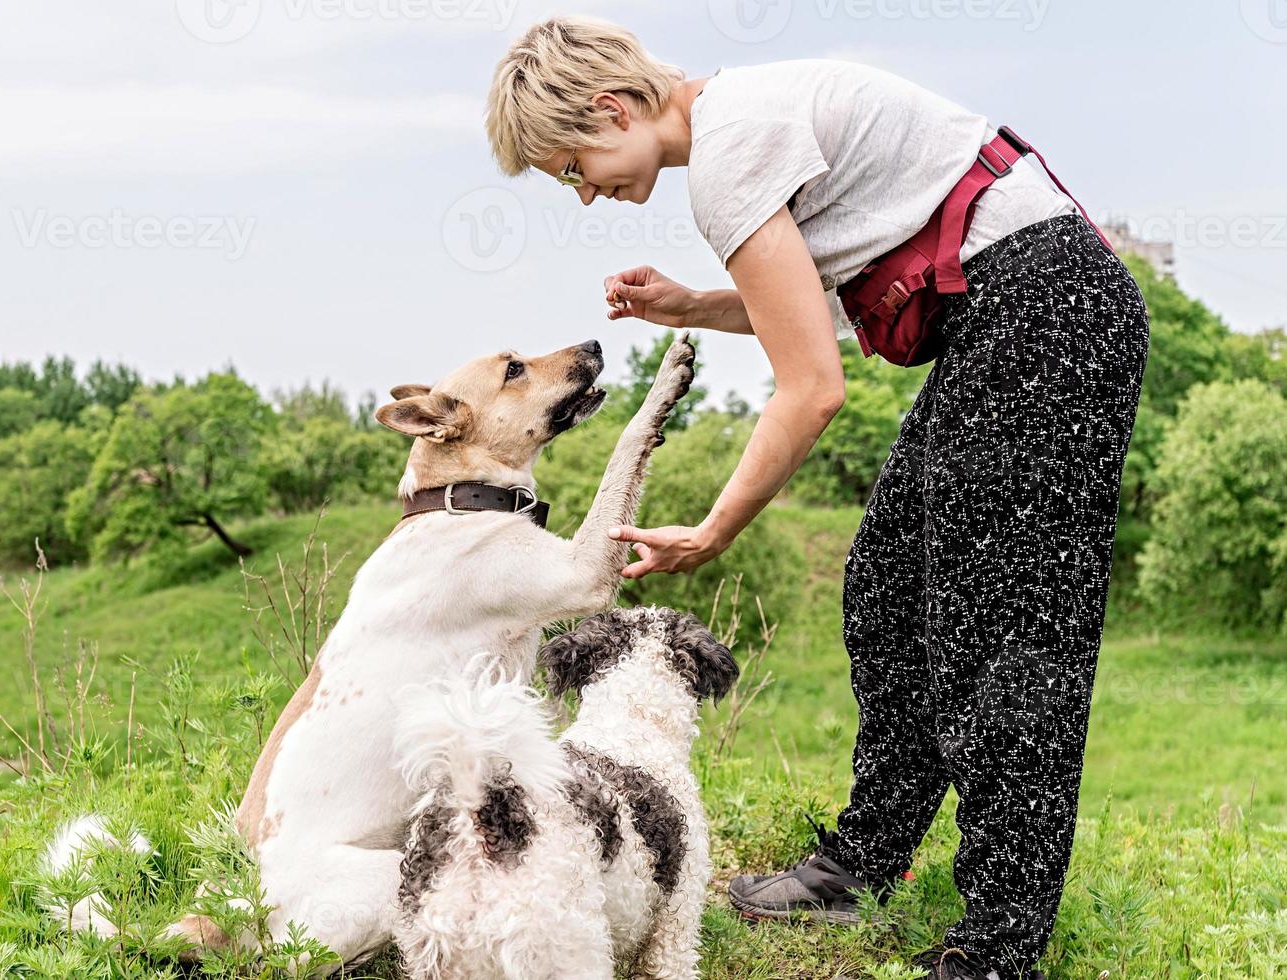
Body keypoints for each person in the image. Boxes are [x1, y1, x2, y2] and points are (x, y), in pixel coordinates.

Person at [484, 17, 1149, 980]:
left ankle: (1001, 943)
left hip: (1043, 313)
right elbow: (830, 286)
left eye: (573, 165)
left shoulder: (727, 152)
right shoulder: (742, 119)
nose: (586, 192)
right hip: (1016, 313)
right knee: (885, 589)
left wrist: (714, 526)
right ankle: (867, 858)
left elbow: (812, 385)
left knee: (999, 635)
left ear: (610, 106)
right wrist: (694, 307)